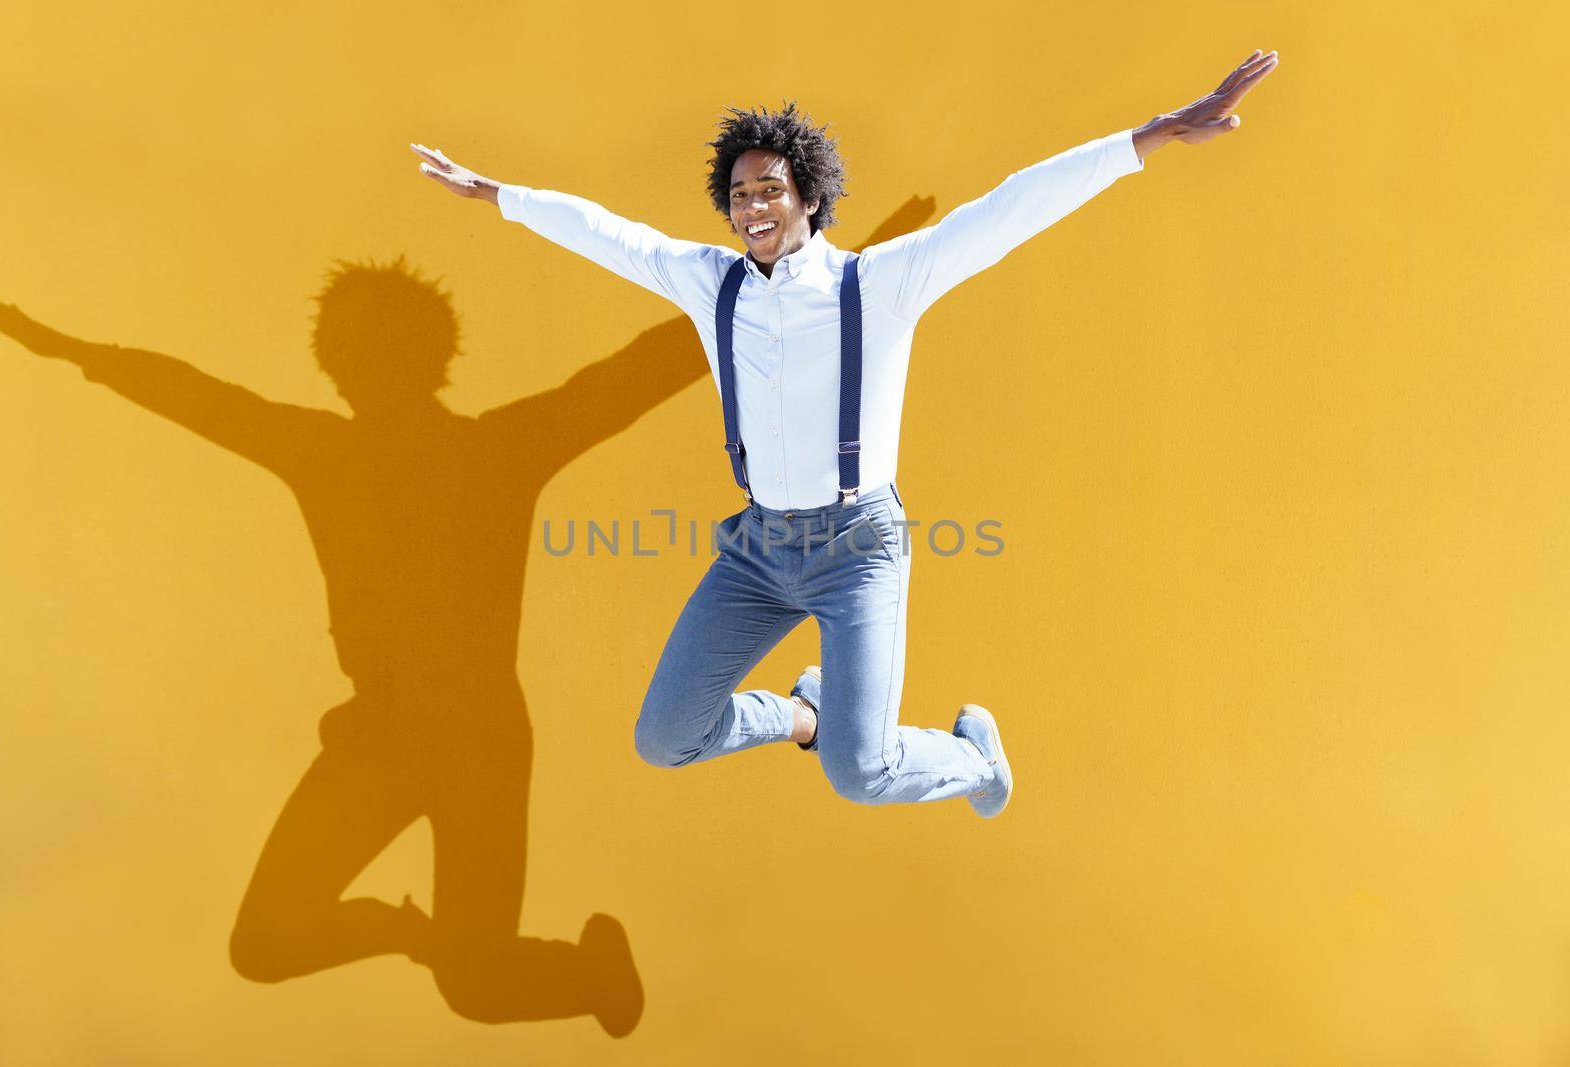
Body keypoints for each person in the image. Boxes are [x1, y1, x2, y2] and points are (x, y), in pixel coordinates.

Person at [413, 49, 1279, 818]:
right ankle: (803, 715)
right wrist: (498, 196)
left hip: (857, 546)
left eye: (771, 190)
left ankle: (974, 757)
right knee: (666, 736)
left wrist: (1152, 136)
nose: (753, 206)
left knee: (861, 775)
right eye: (741, 193)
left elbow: (1009, 210)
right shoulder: (710, 283)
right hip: (755, 550)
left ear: (810, 198)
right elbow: (606, 233)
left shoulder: (880, 283)